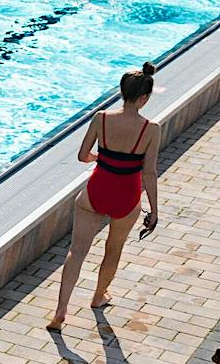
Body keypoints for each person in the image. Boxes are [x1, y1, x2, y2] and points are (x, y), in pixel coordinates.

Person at [48, 62, 159, 330]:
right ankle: (98, 296)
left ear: (122, 91)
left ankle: (61, 311)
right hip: (127, 196)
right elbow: (149, 174)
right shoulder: (151, 129)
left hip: (97, 189)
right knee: (114, 247)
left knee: (77, 252)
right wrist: (154, 211)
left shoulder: (101, 118)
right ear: (144, 98)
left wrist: (104, 158)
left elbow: (82, 156)